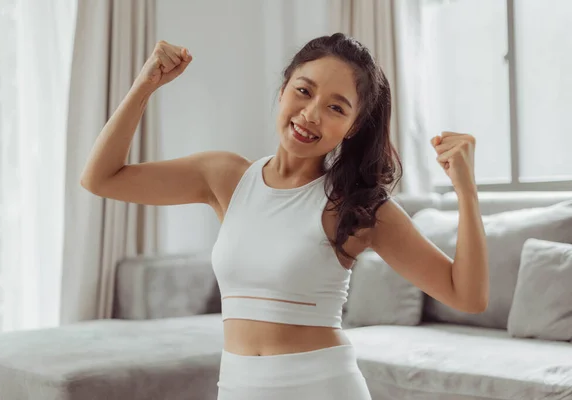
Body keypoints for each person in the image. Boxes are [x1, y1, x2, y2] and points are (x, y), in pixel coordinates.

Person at [80, 33, 489, 400]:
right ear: (282, 90)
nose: (311, 114)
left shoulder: (355, 206)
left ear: (352, 126)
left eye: (335, 107)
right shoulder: (224, 177)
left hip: (323, 389)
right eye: (303, 91)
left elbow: (466, 295)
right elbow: (101, 178)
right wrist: (146, 84)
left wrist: (466, 191)